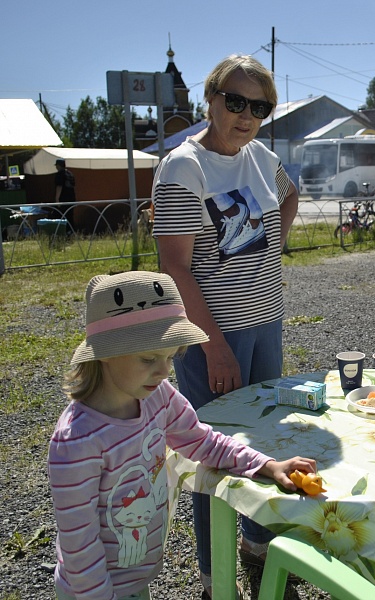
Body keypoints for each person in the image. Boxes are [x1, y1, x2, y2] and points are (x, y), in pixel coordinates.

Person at [48, 271, 316, 600]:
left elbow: (203, 440)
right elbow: (80, 547)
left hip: (134, 576)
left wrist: (265, 464)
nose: (164, 371)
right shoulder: (77, 442)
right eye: (148, 359)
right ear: (103, 352)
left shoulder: (156, 397)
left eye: (170, 356)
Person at [151, 54, 299, 596]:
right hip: (216, 333)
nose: (245, 115)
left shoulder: (260, 155)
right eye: (234, 102)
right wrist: (214, 350)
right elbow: (175, 267)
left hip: (267, 320)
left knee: (263, 432)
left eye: (258, 106)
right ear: (209, 101)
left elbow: (290, 193)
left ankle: (257, 541)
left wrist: (272, 246)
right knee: (209, 450)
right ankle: (216, 571)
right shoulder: (182, 167)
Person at [54, 158, 76, 225]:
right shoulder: (70, 173)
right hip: (72, 198)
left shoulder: (60, 174)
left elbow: (59, 186)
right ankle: (71, 231)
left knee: (61, 216)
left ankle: (63, 231)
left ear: (59, 166)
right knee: (70, 216)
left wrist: (57, 199)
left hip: (63, 199)